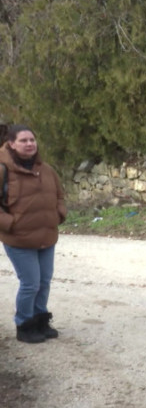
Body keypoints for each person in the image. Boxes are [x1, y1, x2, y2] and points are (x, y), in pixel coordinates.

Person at [0, 124, 66, 344]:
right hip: (18, 239)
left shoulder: (46, 169)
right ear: (11, 144)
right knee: (30, 283)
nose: (29, 144)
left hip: (46, 237)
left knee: (44, 281)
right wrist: (11, 224)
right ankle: (24, 324)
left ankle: (40, 319)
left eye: (32, 140)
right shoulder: (2, 169)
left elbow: (59, 194)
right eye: (23, 140)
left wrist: (59, 214)